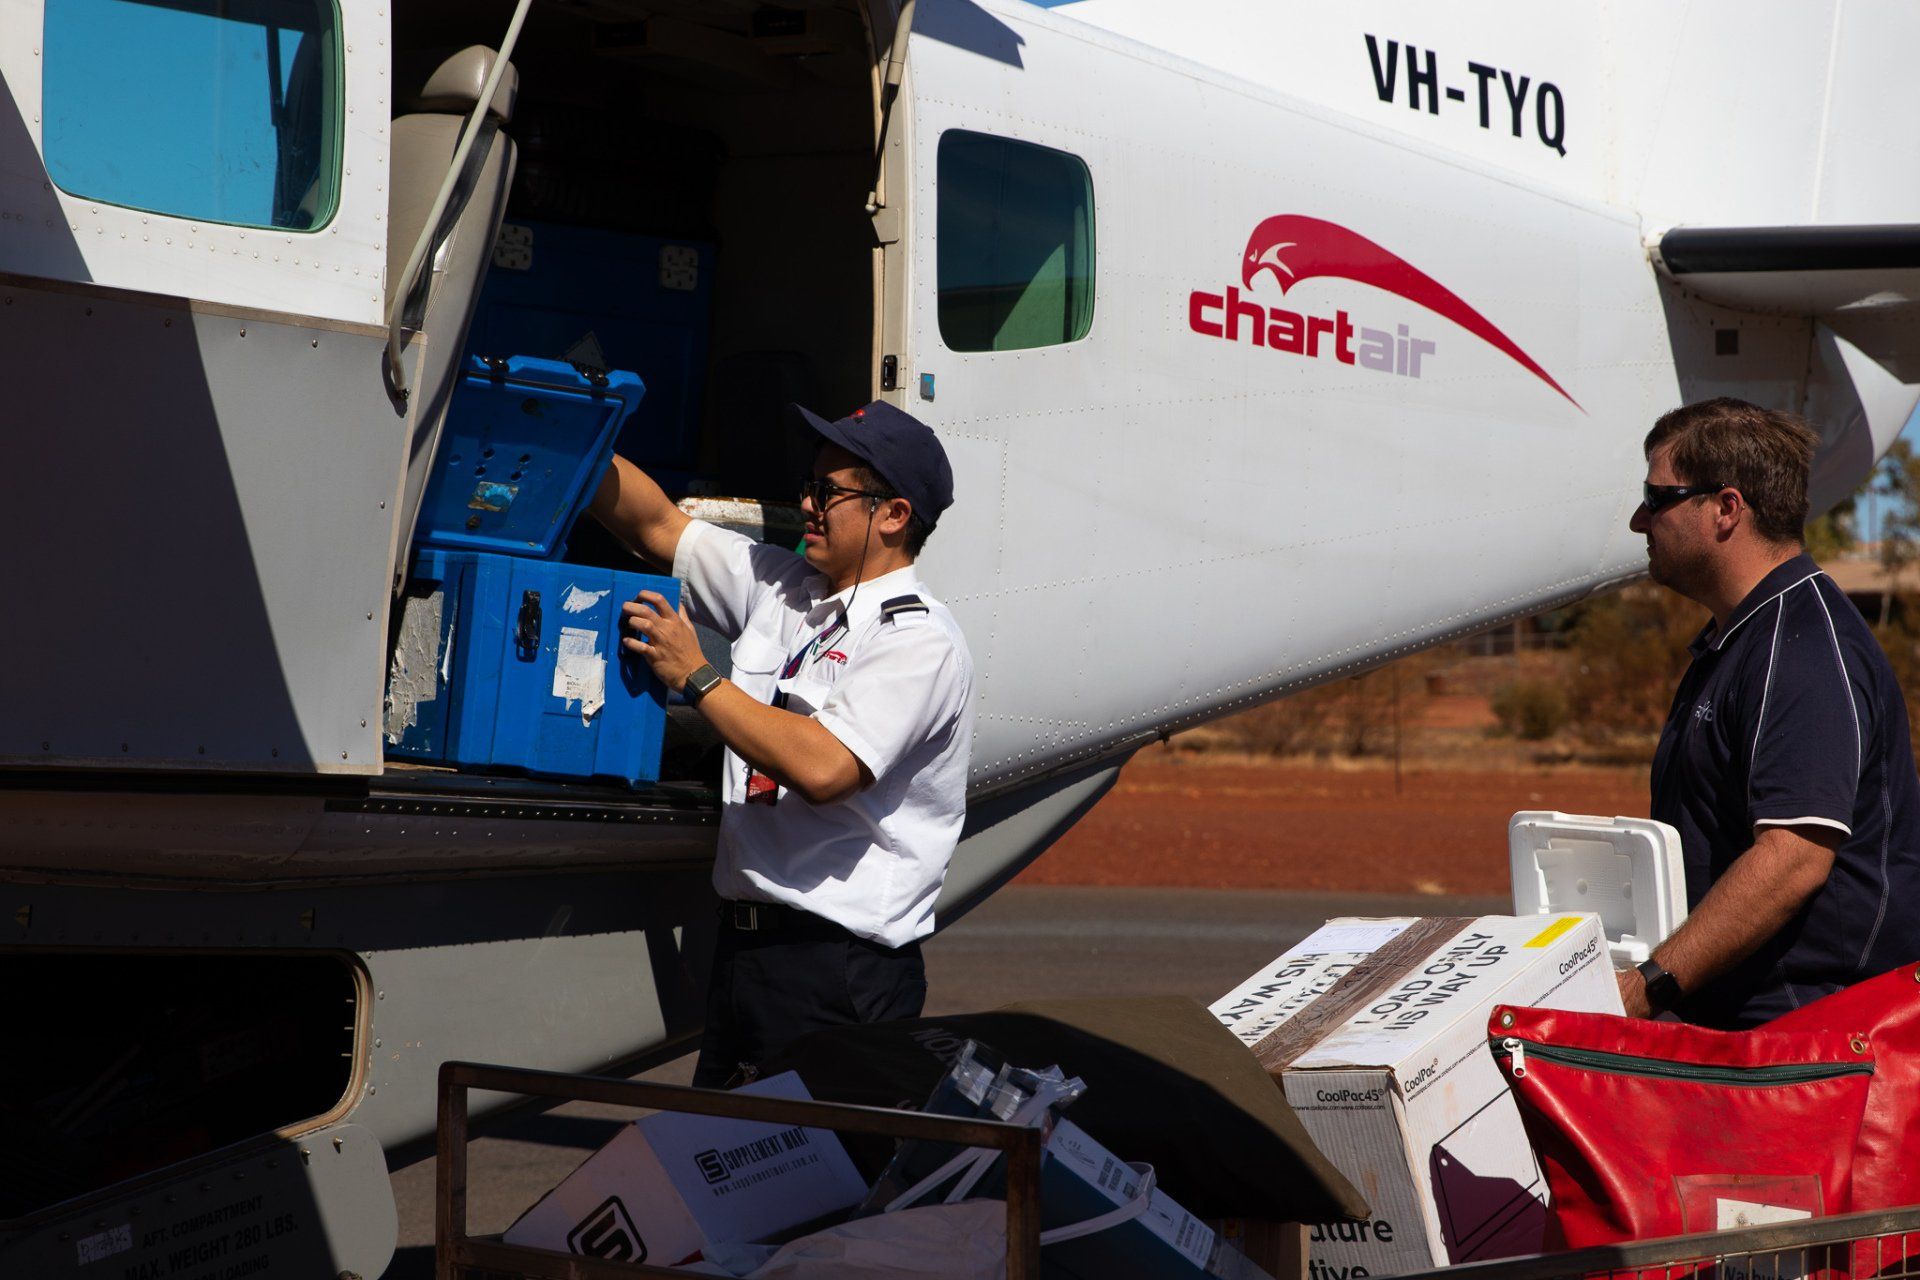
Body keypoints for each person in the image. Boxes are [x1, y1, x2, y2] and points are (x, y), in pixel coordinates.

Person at [588, 401, 975, 1085]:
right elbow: (658, 525)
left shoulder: (918, 640)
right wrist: (573, 434)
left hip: (837, 970)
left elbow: (825, 768)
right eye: (809, 485)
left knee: (825, 1155)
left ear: (893, 514)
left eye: (828, 492)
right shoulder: (786, 589)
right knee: (729, 1148)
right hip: (748, 957)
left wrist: (698, 676)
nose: (806, 504)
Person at [1620, 397, 1920, 1028]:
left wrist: (1648, 988)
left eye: (1657, 498)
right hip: (1752, 1034)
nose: (1638, 520)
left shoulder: (1800, 647)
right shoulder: (1742, 638)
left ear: (1726, 508)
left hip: (1810, 1042)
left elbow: (1793, 857)